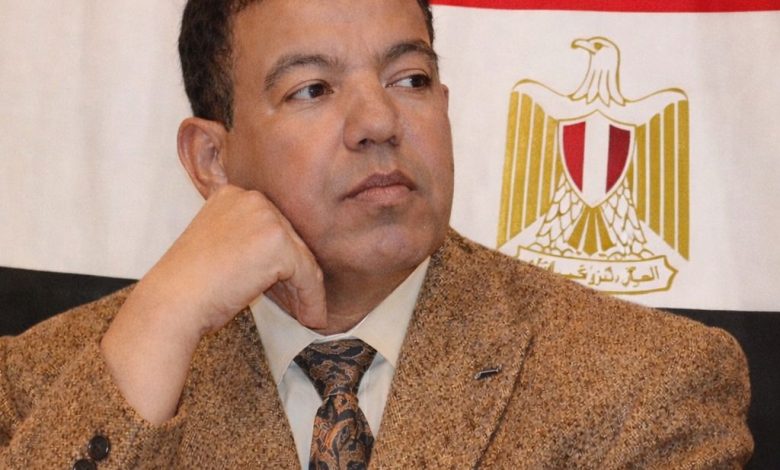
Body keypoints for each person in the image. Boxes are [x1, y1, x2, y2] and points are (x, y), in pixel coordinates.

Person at [0, 0, 752, 468]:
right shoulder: (41, 385)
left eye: (409, 79)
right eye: (313, 90)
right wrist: (162, 319)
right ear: (212, 159)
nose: (379, 122)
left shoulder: (645, 384)